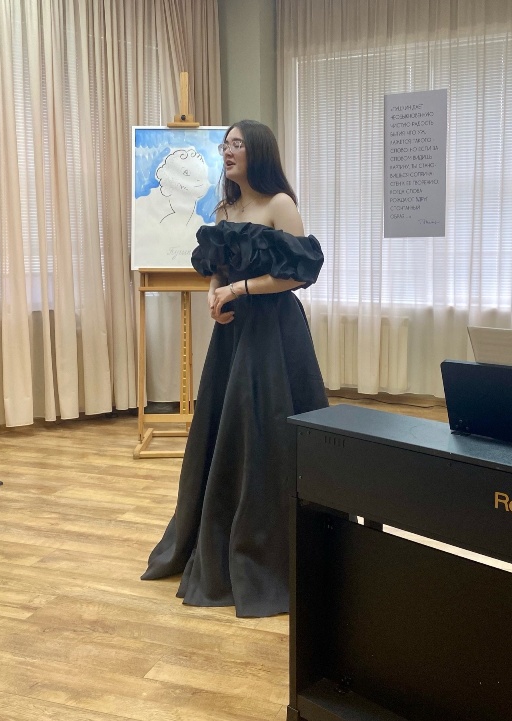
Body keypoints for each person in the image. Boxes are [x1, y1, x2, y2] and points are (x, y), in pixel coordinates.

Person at [140, 119, 329, 617]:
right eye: (226, 144)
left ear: (257, 152)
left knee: (263, 427)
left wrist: (238, 289)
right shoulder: (224, 208)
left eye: (237, 144)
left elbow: (297, 274)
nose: (227, 151)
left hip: (273, 334)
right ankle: (217, 530)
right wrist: (214, 294)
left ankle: (264, 542)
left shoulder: (279, 205)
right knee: (226, 426)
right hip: (233, 331)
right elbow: (218, 268)